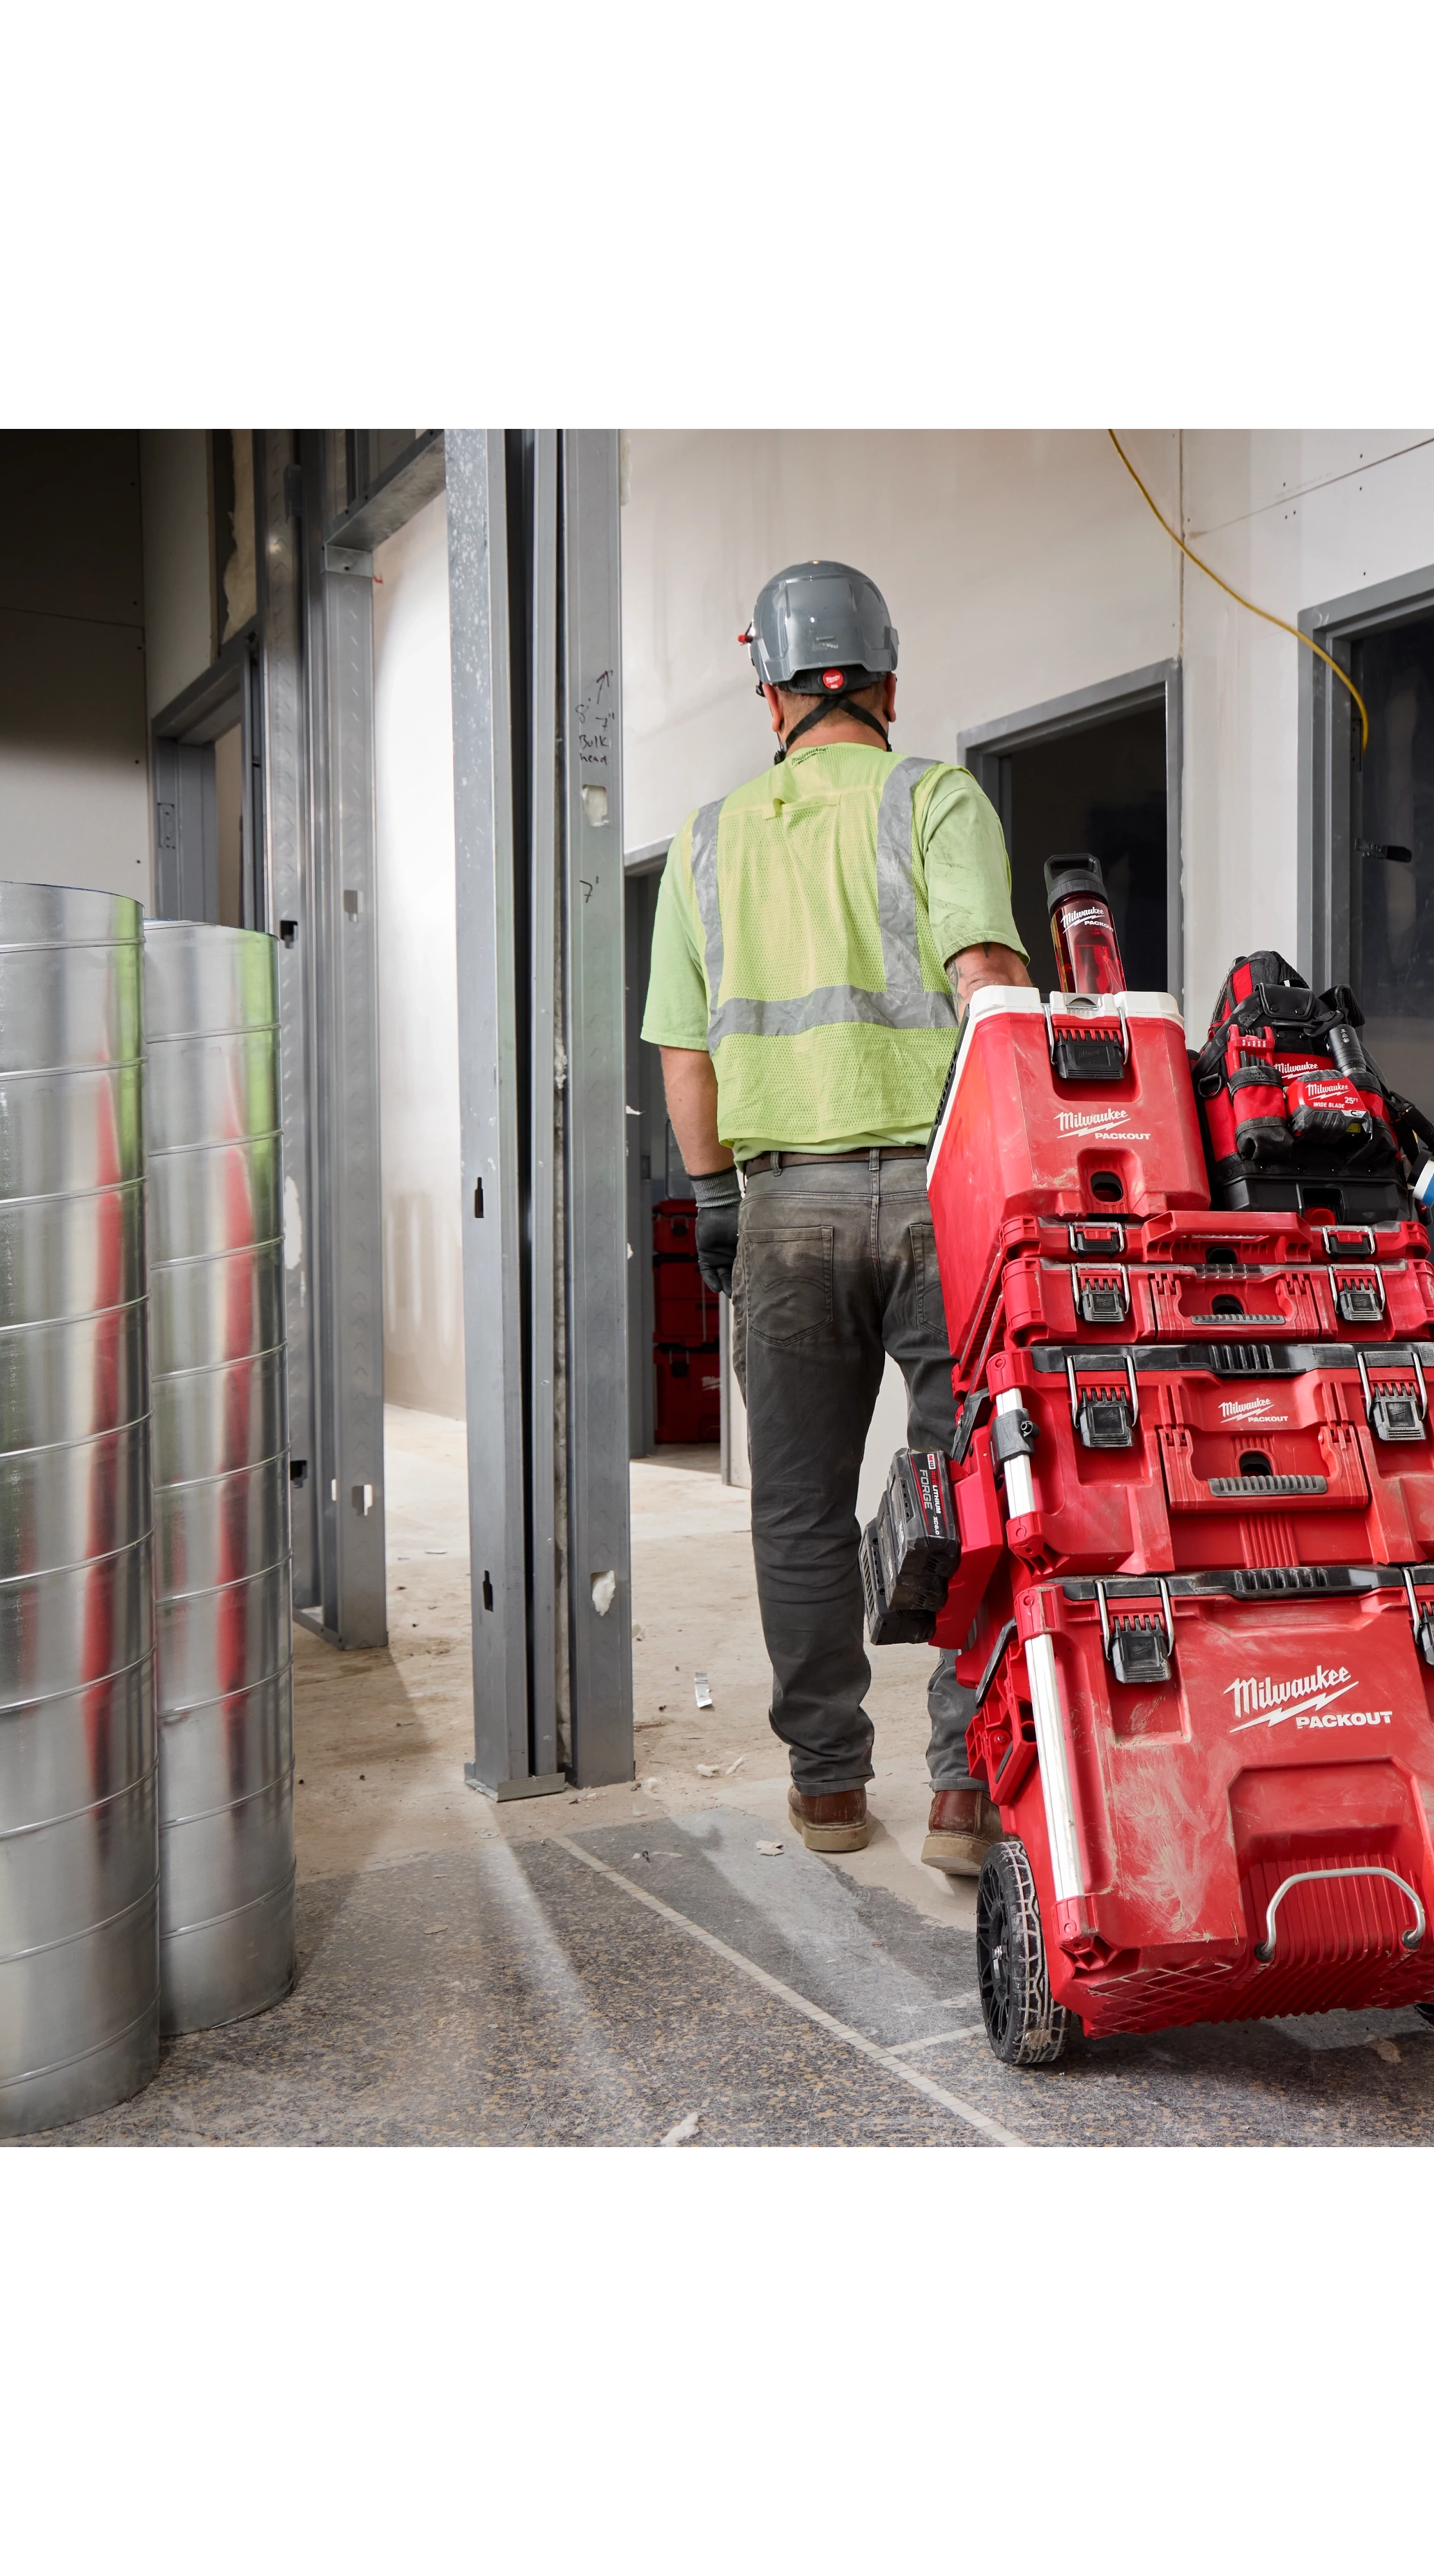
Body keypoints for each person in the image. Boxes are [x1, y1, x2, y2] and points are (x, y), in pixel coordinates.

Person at [638, 561, 1033, 1871]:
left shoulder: (708, 839)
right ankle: (965, 1790)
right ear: (887, 685)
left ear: (771, 696)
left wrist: (712, 1197)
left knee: (799, 1505)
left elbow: (685, 1055)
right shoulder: (937, 799)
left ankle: (826, 1788)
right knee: (973, 1484)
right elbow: (988, 982)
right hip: (943, 1199)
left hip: (783, 1205)